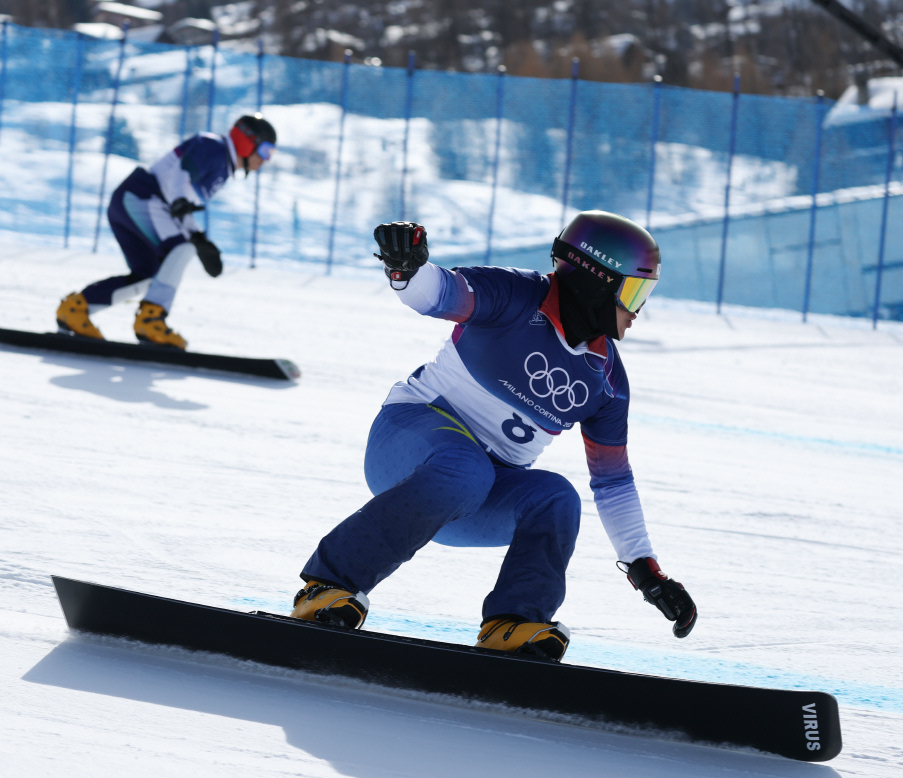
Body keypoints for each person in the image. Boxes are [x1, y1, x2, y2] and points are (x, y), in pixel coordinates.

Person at [289, 212, 697, 662]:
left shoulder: (607, 378)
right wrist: (406, 267)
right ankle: (328, 585)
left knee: (556, 497)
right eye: (634, 292)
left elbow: (613, 483)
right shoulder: (518, 295)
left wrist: (646, 571)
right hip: (406, 444)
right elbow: (437, 293)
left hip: (472, 494)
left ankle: (514, 623)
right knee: (467, 469)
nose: (638, 311)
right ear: (596, 279)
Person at [55, 114, 277, 350]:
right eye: (265, 151)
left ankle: (77, 309)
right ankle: (151, 319)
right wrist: (188, 226)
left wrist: (199, 237)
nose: (265, 160)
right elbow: (180, 175)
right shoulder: (213, 146)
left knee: (149, 274)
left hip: (138, 200)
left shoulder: (222, 167)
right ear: (246, 141)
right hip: (142, 197)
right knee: (181, 249)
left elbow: (179, 204)